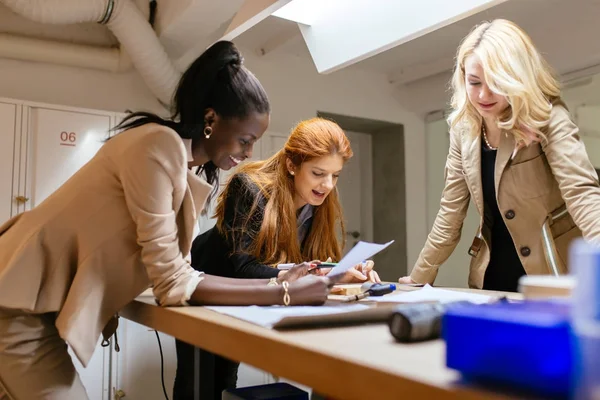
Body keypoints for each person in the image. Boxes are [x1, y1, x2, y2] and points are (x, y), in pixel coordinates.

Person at [0, 41, 331, 400]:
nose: (249, 153)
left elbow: (180, 273)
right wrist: (283, 294)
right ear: (210, 121)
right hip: (14, 308)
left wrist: (280, 280)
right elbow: (173, 284)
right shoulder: (158, 146)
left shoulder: (178, 165)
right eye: (245, 140)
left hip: (27, 307)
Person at [173, 117, 380, 399]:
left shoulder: (318, 198)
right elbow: (243, 268)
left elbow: (311, 265)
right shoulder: (248, 188)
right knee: (198, 381)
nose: (328, 184)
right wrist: (300, 276)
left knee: (226, 376)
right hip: (209, 280)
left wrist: (342, 274)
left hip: (254, 291)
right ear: (292, 165)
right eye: (318, 173)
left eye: (335, 175)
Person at [399, 19, 600, 292]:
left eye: (495, 82)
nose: (483, 94)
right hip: (492, 276)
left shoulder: (548, 117)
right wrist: (420, 276)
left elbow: (583, 195)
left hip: (553, 273)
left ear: (517, 78)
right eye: (474, 82)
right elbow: (450, 213)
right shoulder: (463, 130)